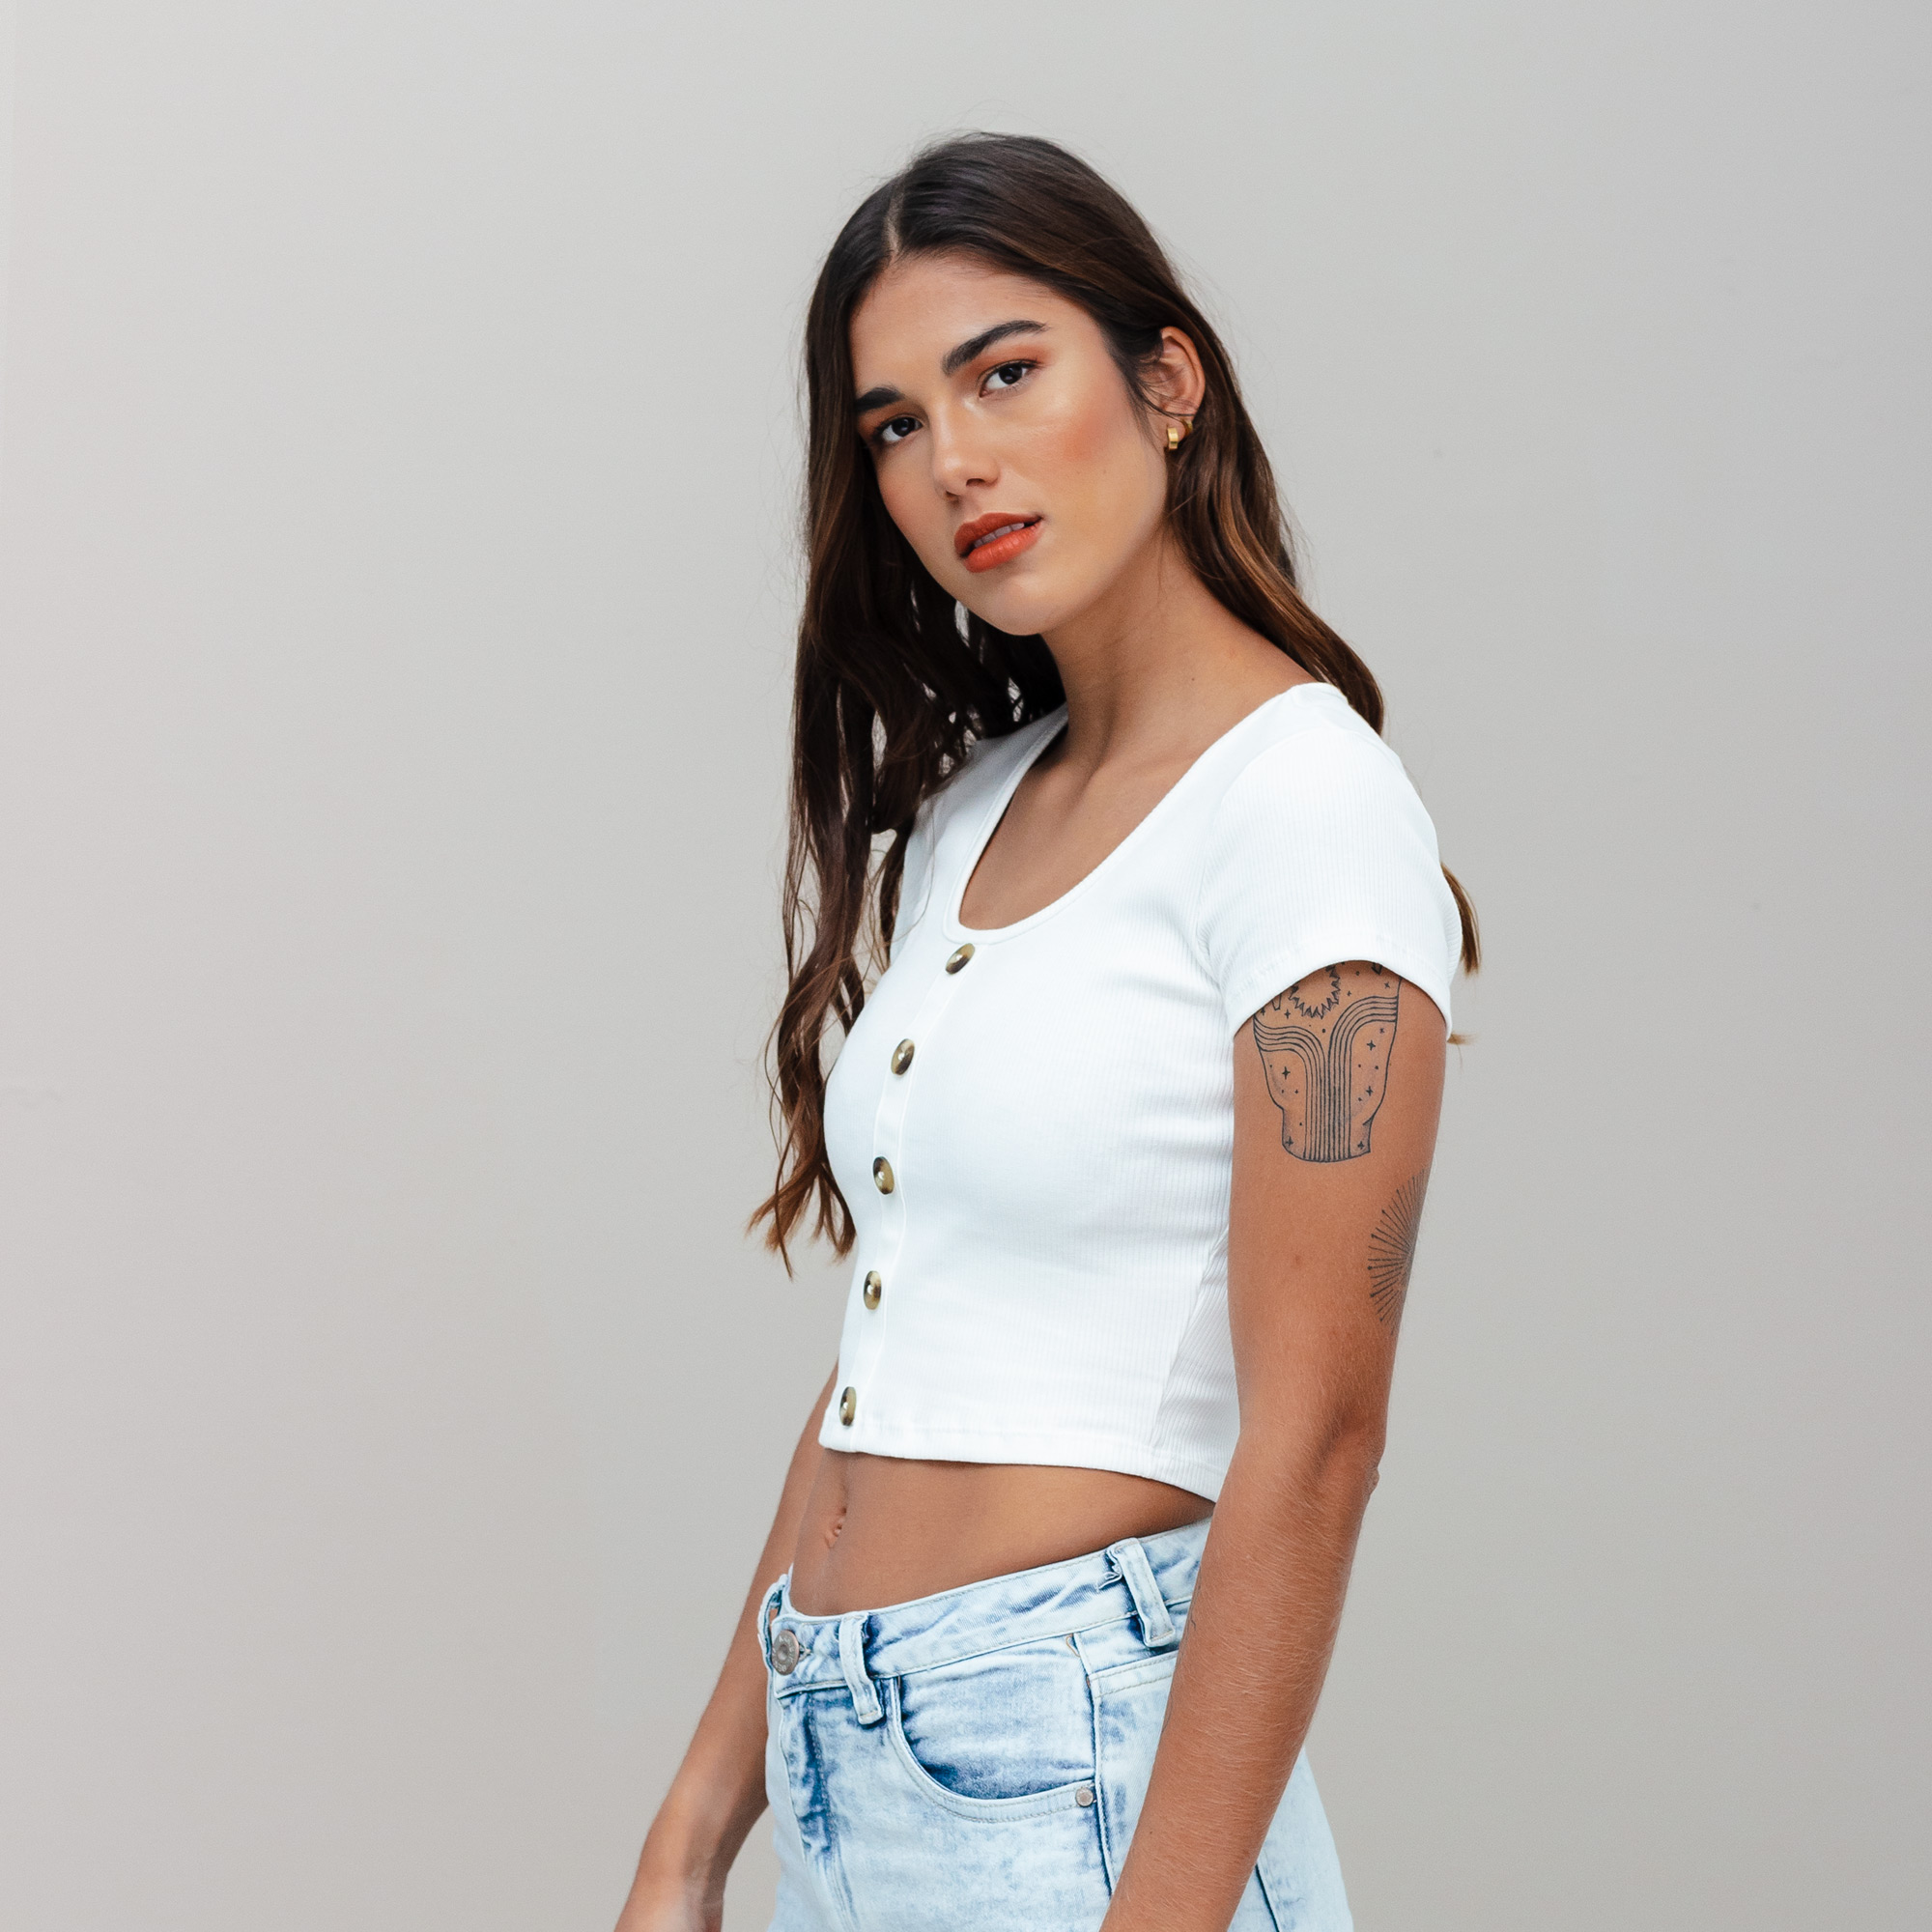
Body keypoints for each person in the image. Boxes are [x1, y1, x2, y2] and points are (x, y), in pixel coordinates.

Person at [613, 132, 1478, 1932]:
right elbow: (895, 1356)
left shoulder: (1302, 809)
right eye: (894, 423)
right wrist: (694, 1832)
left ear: (1169, 382)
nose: (954, 460)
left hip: (1082, 1780)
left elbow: (1320, 1439)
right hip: (847, 1755)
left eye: (1004, 373)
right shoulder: (972, 813)